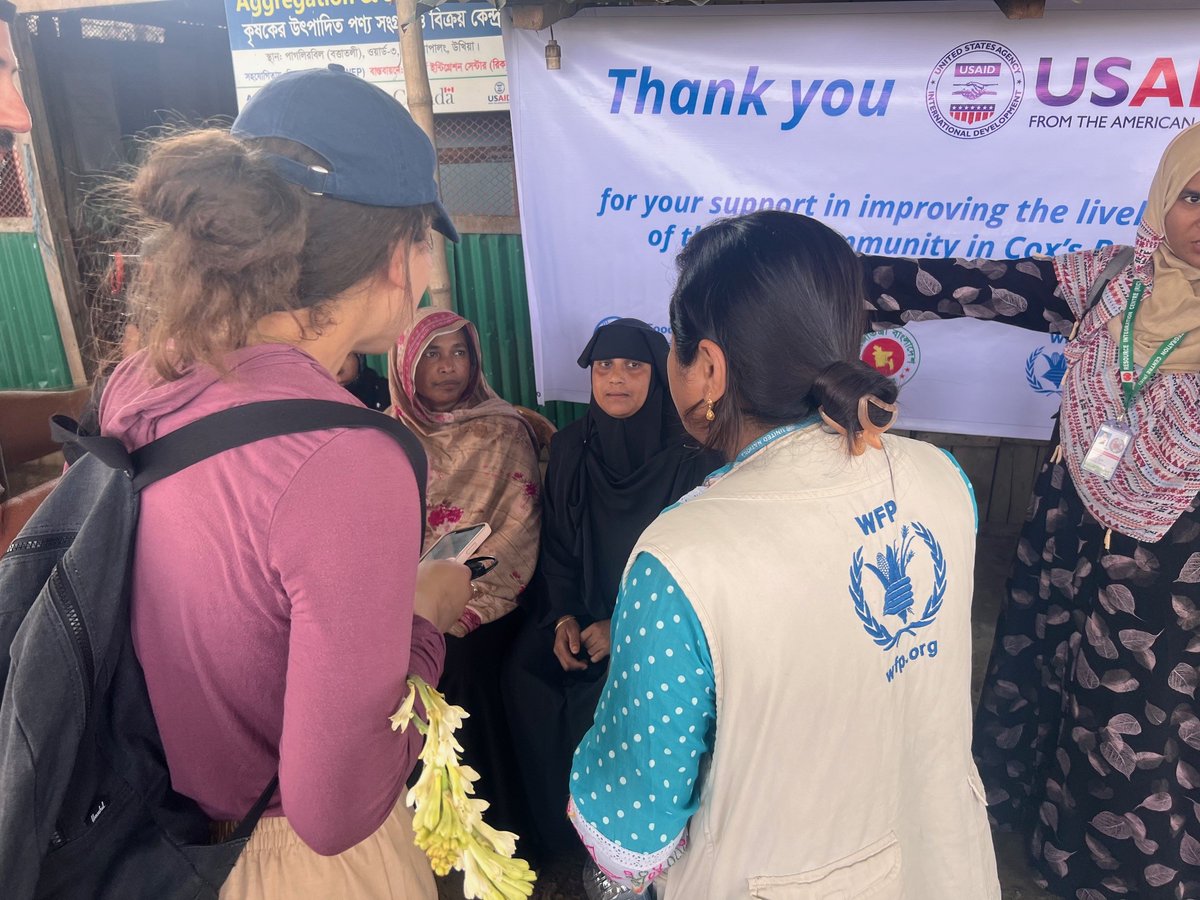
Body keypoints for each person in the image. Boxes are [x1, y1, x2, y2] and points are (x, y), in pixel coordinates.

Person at [96, 66, 472, 898]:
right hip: (297, 870)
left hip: (155, 840)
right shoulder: (345, 457)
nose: (427, 272)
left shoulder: (146, 382)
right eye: (421, 239)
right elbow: (333, 810)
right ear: (388, 252)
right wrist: (425, 614)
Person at [566, 212, 999, 898]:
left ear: (707, 367)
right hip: (942, 861)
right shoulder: (942, 478)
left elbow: (632, 825)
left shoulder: (683, 557)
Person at [858, 124, 1200, 900]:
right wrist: (850, 282)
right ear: (1164, 196)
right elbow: (979, 284)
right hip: (1070, 527)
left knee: (1136, 717)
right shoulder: (1116, 277)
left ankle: (1121, 875)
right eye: (1192, 196)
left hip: (1175, 562)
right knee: (1048, 678)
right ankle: (1033, 840)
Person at [502, 317, 720, 858]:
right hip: (577, 612)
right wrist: (563, 619)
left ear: (659, 375)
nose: (616, 379)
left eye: (633, 366)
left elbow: (696, 568)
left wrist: (620, 627)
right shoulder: (573, 447)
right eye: (604, 366)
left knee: (601, 699)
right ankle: (557, 842)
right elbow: (556, 544)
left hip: (659, 627)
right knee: (523, 677)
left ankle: (620, 849)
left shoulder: (692, 457)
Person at [389, 307, 541, 836]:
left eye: (459, 352)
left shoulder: (505, 430)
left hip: (485, 601)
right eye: (431, 353)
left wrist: (461, 601)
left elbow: (518, 528)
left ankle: (495, 830)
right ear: (406, 363)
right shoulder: (384, 437)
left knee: (462, 665)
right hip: (399, 604)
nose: (448, 366)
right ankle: (428, 834)